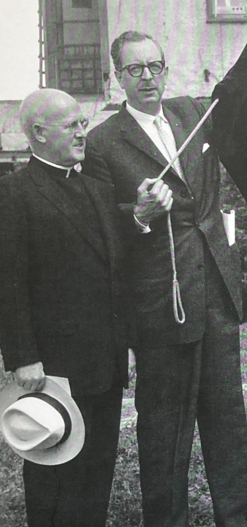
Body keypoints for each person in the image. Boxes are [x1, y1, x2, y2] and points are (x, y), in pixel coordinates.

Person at [83, 31, 247, 527]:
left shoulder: (188, 113)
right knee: (164, 428)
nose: (147, 78)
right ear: (117, 77)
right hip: (161, 299)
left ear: (165, 69)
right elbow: (98, 222)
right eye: (134, 69)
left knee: (227, 419)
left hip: (216, 291)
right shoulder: (103, 141)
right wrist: (136, 212)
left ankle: (238, 519)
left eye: (155, 66)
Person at [0, 89, 128, 526]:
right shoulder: (14, 193)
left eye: (82, 122)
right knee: (54, 475)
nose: (82, 131)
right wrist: (22, 357)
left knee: (96, 475)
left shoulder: (96, 187)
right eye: (71, 124)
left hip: (105, 363)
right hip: (52, 369)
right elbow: (8, 282)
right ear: (38, 132)